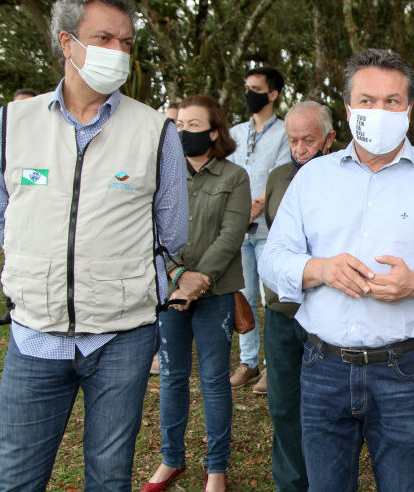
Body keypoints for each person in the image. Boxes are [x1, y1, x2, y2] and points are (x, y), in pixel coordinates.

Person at [0, 0, 188, 491]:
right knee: (16, 478)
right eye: (104, 38)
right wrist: (44, 262)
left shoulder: (154, 131)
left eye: (126, 42)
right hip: (34, 334)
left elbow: (172, 230)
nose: (118, 52)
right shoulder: (13, 122)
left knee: (109, 477)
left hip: (122, 338)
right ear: (66, 42)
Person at [259, 48, 414, 491]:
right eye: (367, 100)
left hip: (404, 368)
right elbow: (272, 260)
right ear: (348, 109)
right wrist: (319, 269)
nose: (379, 111)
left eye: (392, 101)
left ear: (409, 109)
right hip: (322, 363)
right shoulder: (313, 178)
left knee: (402, 483)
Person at [144, 95, 250, 492]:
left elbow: (231, 234)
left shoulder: (234, 176)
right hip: (170, 292)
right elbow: (152, 227)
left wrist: (198, 278)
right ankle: (171, 460)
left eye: (193, 125)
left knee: (214, 381)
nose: (183, 131)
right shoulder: (162, 174)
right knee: (172, 376)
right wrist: (176, 275)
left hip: (216, 294)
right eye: (178, 124)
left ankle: (216, 467)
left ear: (214, 131)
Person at [263, 101, 336, 492]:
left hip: (325, 314)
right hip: (280, 313)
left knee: (325, 411)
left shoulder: (346, 179)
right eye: (293, 140)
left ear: (329, 138)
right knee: (284, 406)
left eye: (308, 140)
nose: (300, 148)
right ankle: (291, 485)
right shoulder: (278, 177)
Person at [228, 66, 290, 394]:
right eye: (247, 86)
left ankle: (272, 366)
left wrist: (258, 203)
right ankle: (248, 362)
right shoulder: (236, 133)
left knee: (271, 298)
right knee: (245, 296)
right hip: (238, 228)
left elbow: (280, 173)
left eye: (256, 88)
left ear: (273, 93)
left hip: (268, 226)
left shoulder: (284, 132)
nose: (249, 93)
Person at [0, 89, 39, 327]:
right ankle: (12, 308)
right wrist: (10, 238)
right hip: (16, 228)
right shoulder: (6, 139)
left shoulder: (47, 141)